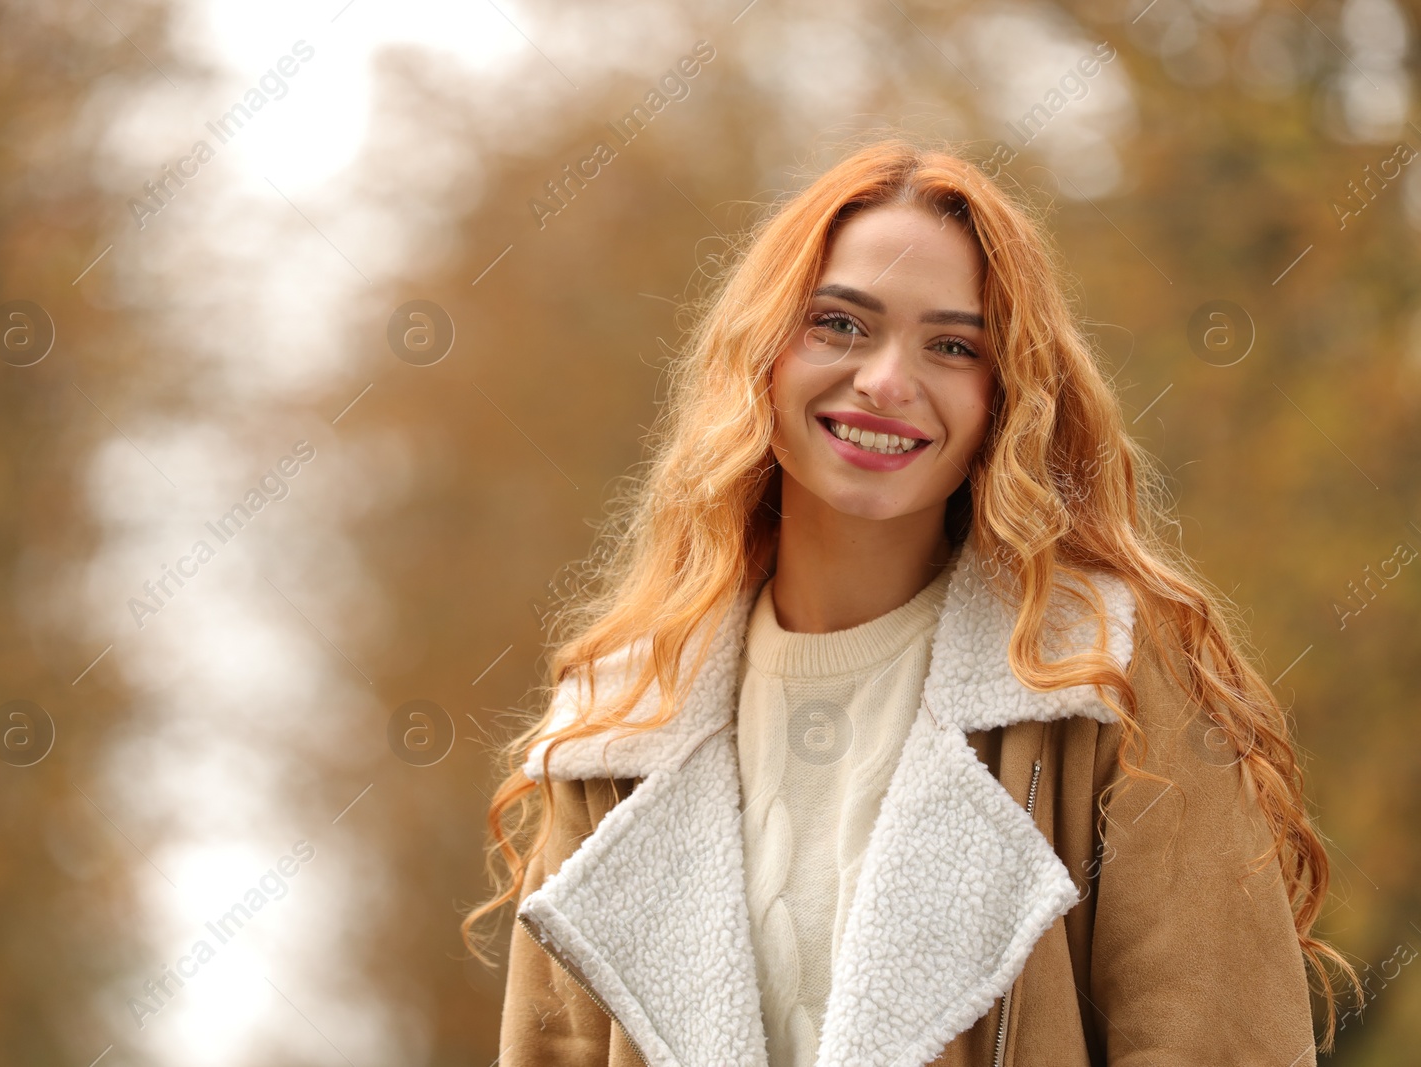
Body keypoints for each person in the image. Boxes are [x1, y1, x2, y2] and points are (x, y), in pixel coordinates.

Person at [463, 138, 1357, 1067]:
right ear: (763, 353)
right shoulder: (617, 727)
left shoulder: (1106, 677)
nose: (887, 381)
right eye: (840, 325)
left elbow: (1221, 1043)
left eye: (953, 345)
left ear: (1005, 395)